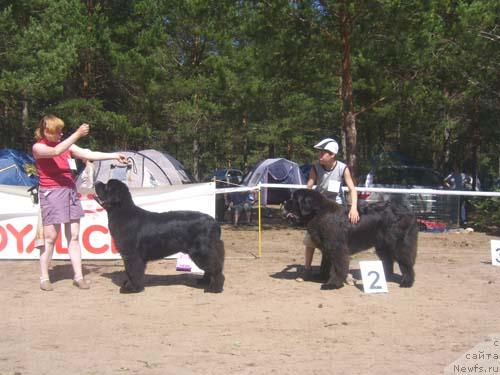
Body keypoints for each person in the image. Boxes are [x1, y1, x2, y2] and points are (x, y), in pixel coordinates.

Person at [32, 114, 128, 291]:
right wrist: (77, 133)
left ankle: (78, 276)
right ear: (46, 131)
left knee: (74, 236)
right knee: (50, 238)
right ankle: (44, 277)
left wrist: (114, 155)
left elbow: (88, 154)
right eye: (57, 131)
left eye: (62, 131)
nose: (61, 134)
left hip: (69, 192)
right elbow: (55, 151)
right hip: (51, 194)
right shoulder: (39, 147)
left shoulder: (67, 145)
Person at [296, 138, 360, 282]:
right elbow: (309, 188)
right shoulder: (315, 168)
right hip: (318, 209)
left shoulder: (343, 168)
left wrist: (354, 208)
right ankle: (307, 269)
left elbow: (352, 189)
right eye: (320, 153)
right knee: (310, 240)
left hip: (336, 208)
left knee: (341, 242)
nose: (320, 155)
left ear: (332, 155)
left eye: (323, 153)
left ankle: (345, 272)